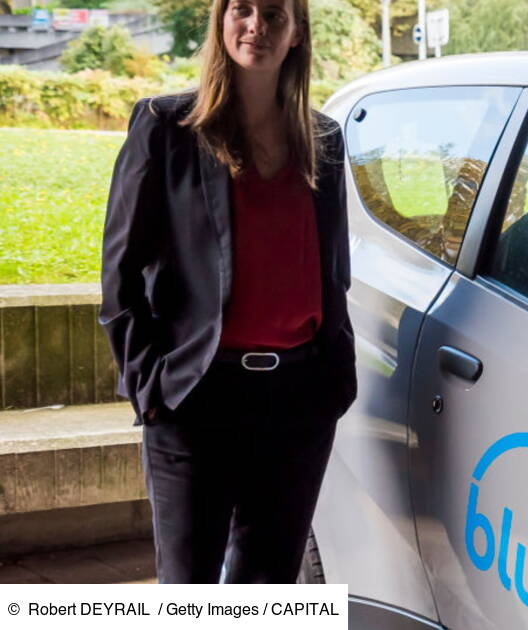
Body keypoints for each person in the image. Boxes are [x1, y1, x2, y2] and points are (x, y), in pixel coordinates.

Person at [99, 0, 356, 583]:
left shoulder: (324, 138)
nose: (257, 25)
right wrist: (149, 385)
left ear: (298, 32)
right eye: (242, 9)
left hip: (299, 399)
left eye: (275, 13)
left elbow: (332, 269)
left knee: (267, 592)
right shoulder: (167, 127)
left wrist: (335, 376)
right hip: (196, 395)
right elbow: (120, 274)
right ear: (221, 21)